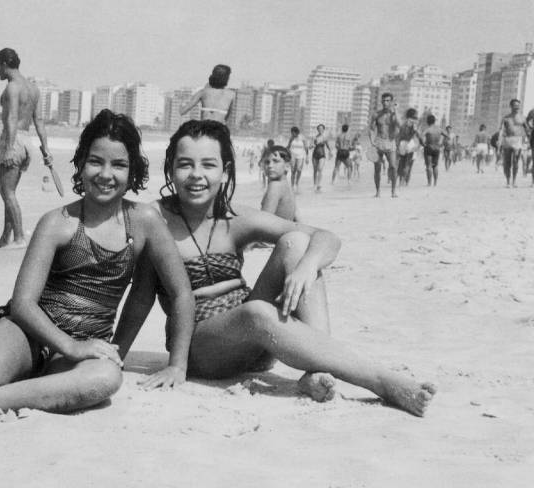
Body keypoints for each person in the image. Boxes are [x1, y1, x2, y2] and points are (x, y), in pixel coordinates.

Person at [0, 110, 196, 423]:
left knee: (105, 380)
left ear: (133, 169)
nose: (105, 173)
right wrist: (70, 346)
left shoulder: (144, 222)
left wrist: (177, 365)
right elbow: (23, 304)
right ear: (80, 163)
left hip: (89, 341)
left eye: (119, 164)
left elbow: (181, 292)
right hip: (29, 333)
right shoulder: (57, 223)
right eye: (95, 161)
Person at [122, 120, 435, 416]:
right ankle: (381, 381)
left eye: (208, 165)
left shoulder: (236, 218)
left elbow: (327, 238)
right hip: (200, 348)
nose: (196, 175)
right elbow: (140, 297)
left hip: (255, 341)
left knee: (296, 243)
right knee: (256, 311)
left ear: (225, 170)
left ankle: (318, 370)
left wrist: (306, 267)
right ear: (170, 169)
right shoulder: (154, 220)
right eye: (185, 164)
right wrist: (117, 354)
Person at [0, 47, 55, 250]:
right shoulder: (33, 89)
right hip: (27, 142)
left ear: (4, 64)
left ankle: (18, 238)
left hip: (14, 140)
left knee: (7, 192)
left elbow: (12, 118)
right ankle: (5, 238)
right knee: (10, 192)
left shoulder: (12, 88)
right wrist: (46, 149)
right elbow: (39, 121)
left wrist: (9, 147)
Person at [369, 93, 400, 198]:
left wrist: (396, 111)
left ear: (391, 102)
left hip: (390, 142)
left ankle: (393, 191)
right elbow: (371, 129)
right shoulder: (376, 114)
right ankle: (378, 191)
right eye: (383, 100)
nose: (385, 103)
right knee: (377, 168)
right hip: (379, 142)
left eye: (387, 101)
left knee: (393, 167)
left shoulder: (394, 114)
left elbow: (399, 124)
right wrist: (372, 141)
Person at [261, 145, 299, 222]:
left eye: (275, 161)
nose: (270, 166)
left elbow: (264, 221)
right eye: (267, 162)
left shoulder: (275, 186)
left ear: (287, 166)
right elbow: (297, 219)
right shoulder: (288, 187)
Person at [497, 99, 529, 188]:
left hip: (518, 140)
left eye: (518, 105)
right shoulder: (506, 118)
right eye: (515, 105)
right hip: (507, 140)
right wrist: (499, 141)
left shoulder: (523, 118)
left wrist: (528, 141)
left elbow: (527, 130)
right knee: (507, 162)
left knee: (515, 161)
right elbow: (501, 130)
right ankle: (508, 181)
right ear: (510, 106)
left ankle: (514, 181)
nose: (517, 107)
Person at [396, 108, 421, 186]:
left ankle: (401, 180)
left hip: (402, 144)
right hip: (411, 144)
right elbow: (417, 134)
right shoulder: (415, 123)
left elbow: (399, 135)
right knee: (409, 164)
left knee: (401, 163)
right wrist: (421, 143)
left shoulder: (403, 123)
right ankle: (406, 181)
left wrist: (397, 145)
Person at [422, 114, 442, 187]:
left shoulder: (428, 129)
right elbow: (447, 136)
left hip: (429, 147)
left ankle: (429, 183)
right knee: (435, 166)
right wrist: (441, 143)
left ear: (428, 121)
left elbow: (421, 136)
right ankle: (435, 183)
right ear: (434, 121)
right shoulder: (439, 129)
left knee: (429, 166)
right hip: (437, 148)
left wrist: (423, 143)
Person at [311, 124, 332, 192]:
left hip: (322, 155)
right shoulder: (314, 137)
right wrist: (312, 145)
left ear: (323, 129)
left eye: (321, 128)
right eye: (319, 128)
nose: (320, 130)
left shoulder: (325, 137)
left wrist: (330, 152)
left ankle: (319, 184)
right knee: (315, 170)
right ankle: (314, 184)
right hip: (315, 155)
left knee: (320, 169)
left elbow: (328, 146)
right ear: (317, 129)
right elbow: (310, 146)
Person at [287, 126, 309, 193]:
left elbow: (306, 148)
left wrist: (307, 157)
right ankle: (292, 186)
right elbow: (288, 146)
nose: (292, 134)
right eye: (291, 133)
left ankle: (297, 183)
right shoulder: (291, 138)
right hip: (293, 156)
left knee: (299, 170)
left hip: (300, 156)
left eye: (293, 133)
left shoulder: (302, 138)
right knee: (293, 171)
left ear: (296, 132)